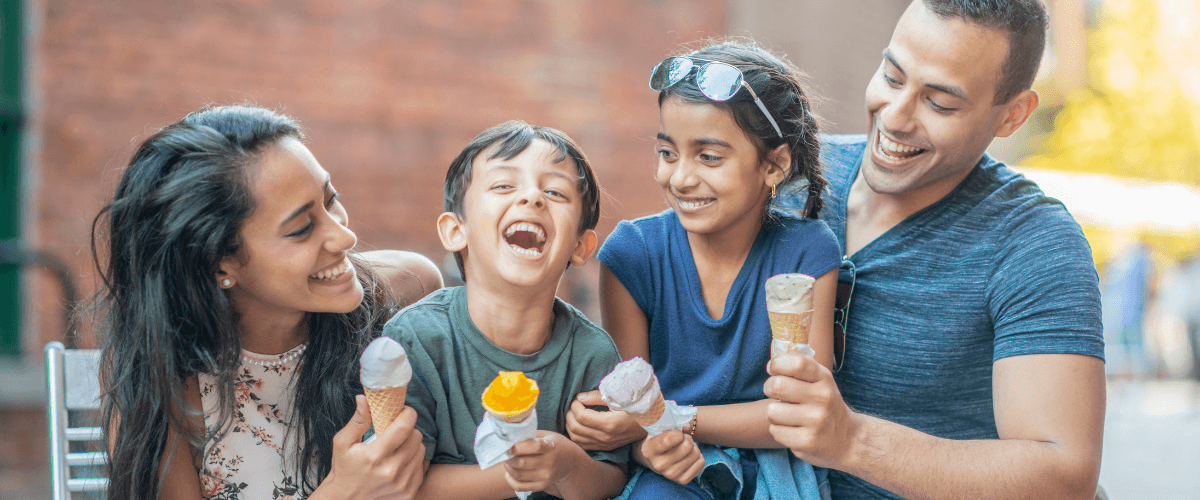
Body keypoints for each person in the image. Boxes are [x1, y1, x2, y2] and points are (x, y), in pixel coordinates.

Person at [765, 1, 1106, 499]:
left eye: (940, 103)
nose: (896, 117)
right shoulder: (787, 183)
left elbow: (1063, 475)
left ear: (1012, 115)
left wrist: (853, 441)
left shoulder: (1034, 242)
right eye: (892, 75)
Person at [91, 104, 442, 499]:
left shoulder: (404, 293)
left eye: (331, 199)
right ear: (219, 262)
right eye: (302, 228)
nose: (344, 237)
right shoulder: (167, 385)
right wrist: (342, 493)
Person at [568, 41, 840, 499]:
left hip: (778, 474)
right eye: (668, 153)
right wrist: (646, 446)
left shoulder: (806, 253)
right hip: (670, 469)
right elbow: (628, 410)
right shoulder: (633, 254)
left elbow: (799, 411)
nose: (680, 178)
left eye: (708, 157)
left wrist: (667, 419)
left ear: (773, 165)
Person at [384, 120, 629, 500]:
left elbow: (612, 478)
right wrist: (524, 474)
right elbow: (397, 484)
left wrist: (568, 465)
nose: (532, 198)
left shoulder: (592, 353)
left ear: (581, 246)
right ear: (455, 231)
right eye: (503, 185)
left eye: (554, 191)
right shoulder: (414, 340)